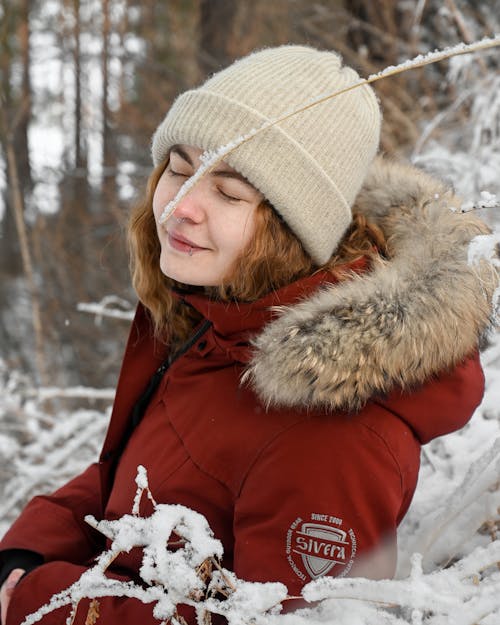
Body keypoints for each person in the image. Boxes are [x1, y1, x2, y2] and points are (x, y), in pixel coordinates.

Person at [0, 45, 497, 625]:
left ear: (294, 230)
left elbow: (274, 620)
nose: (182, 206)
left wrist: (51, 604)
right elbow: (140, 480)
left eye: (230, 192)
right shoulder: (224, 318)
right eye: (180, 170)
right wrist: (27, 551)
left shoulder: (332, 433)